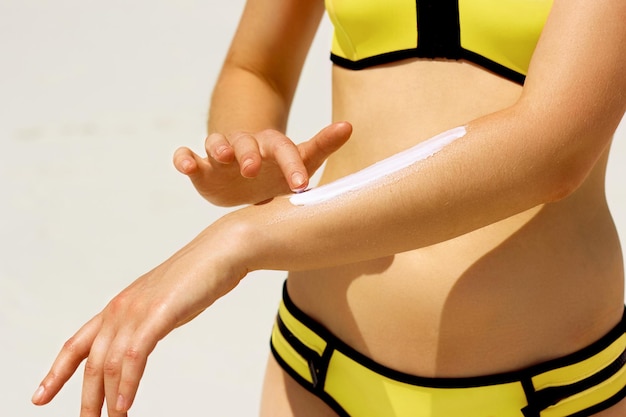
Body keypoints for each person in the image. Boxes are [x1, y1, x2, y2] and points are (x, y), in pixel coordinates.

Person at [32, 0, 626, 416]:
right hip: (317, 373)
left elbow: (551, 148)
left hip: (557, 392)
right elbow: (255, 67)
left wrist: (245, 236)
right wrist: (245, 146)